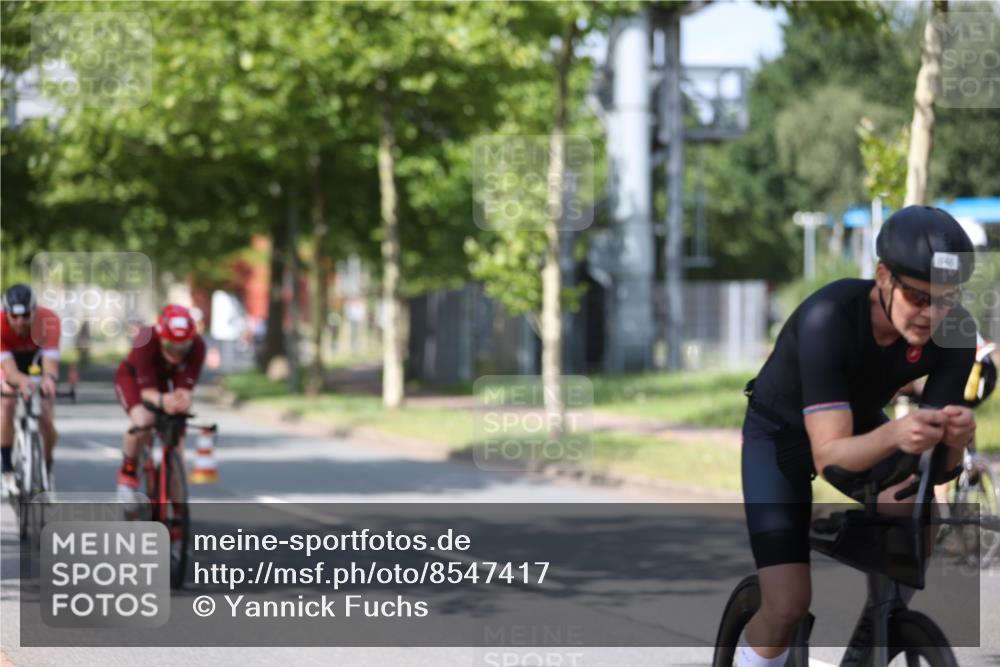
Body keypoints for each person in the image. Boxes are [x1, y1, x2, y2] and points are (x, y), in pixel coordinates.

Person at [738, 206, 978, 667]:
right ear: (883, 277)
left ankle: (876, 636)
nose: (932, 313)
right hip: (781, 437)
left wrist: (956, 437)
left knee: (914, 508)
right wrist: (896, 433)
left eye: (946, 299)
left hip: (859, 424)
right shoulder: (827, 317)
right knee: (786, 604)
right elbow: (829, 455)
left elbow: (941, 468)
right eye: (917, 296)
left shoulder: (956, 331)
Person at [114, 304, 206, 501]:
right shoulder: (145, 339)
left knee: (177, 444)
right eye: (171, 345)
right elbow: (149, 394)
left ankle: (177, 512)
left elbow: (185, 390)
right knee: (143, 421)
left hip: (166, 382)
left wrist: (181, 401)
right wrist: (165, 401)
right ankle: (128, 471)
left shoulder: (198, 346)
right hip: (134, 378)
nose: (177, 352)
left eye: (183, 347)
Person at [0, 284, 62, 496]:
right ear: (5, 313)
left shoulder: (49, 321)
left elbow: (50, 364)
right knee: (7, 402)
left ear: (34, 311)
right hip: (10, 365)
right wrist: (21, 382)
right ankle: (6, 468)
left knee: (45, 416)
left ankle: (46, 467)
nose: (20, 322)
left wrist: (49, 380)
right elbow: (9, 372)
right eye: (14, 316)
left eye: (26, 315)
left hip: (37, 363)